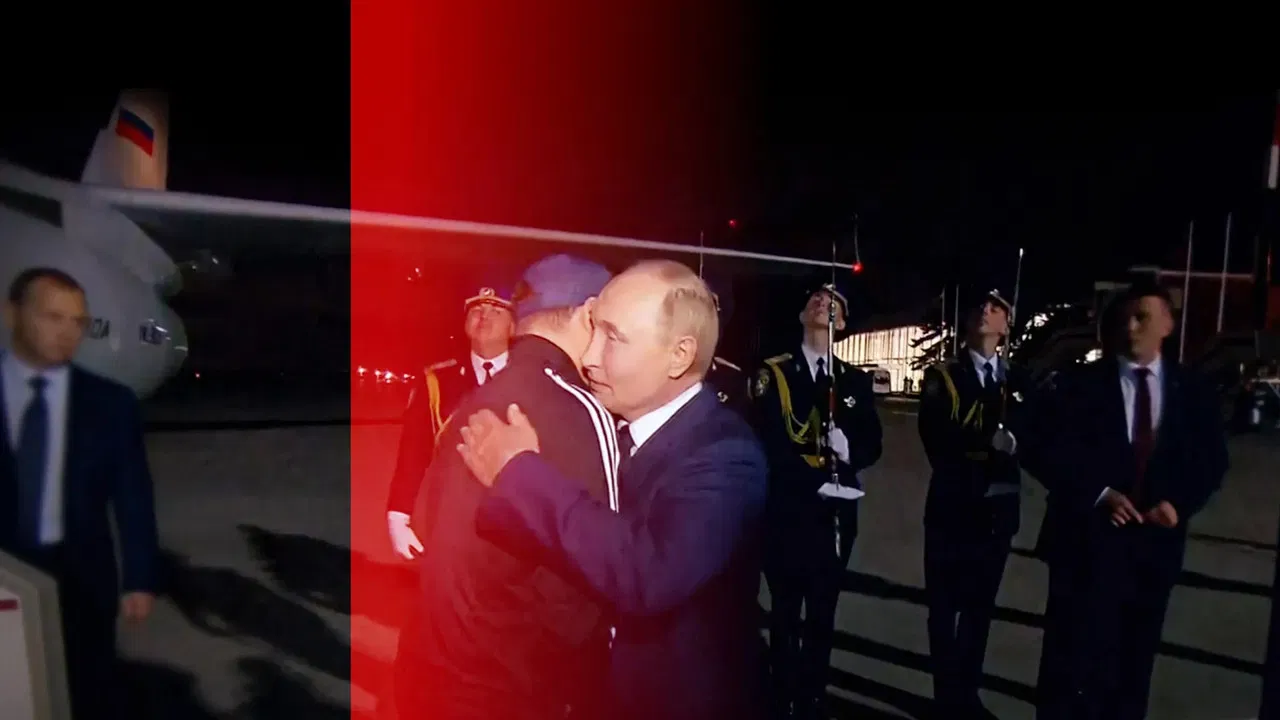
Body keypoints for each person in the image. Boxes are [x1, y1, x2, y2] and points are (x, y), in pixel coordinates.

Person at [457, 259, 769, 720]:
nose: (589, 357)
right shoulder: (618, 431)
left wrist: (519, 473)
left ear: (679, 356)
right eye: (594, 331)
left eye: (614, 338)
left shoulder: (726, 454)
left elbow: (648, 573)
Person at [397, 255, 617, 720]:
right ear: (589, 314)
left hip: (434, 672)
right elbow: (593, 579)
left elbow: (429, 524)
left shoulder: (476, 399)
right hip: (511, 685)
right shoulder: (579, 407)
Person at [1034, 279, 1229, 720]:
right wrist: (1097, 493)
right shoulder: (1078, 385)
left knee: (1132, 670)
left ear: (1167, 324)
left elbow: (1211, 460)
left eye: (1142, 317)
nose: (1131, 327)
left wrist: (1178, 503)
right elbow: (1044, 448)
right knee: (1067, 668)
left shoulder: (1191, 390)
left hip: (1151, 552)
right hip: (1083, 548)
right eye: (1124, 318)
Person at [0, 267, 159, 719]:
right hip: (3, 570)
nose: (68, 333)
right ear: (12, 314)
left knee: (87, 691)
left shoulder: (111, 402)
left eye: (78, 322)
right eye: (53, 317)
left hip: (82, 577)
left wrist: (140, 577)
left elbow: (132, 494)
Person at [750, 281, 883, 720]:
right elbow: (768, 441)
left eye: (833, 304)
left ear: (841, 324)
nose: (822, 304)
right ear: (802, 314)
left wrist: (850, 450)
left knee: (823, 611)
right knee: (786, 611)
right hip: (789, 510)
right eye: (816, 299)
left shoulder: (854, 381)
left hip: (835, 515)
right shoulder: (774, 373)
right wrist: (811, 481)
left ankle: (813, 697)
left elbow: (873, 444)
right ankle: (782, 696)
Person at [918, 287, 1040, 719]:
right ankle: (945, 700)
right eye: (980, 307)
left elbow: (1040, 429)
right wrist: (988, 442)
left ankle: (967, 697)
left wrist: (1018, 441)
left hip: (997, 511)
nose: (986, 312)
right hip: (953, 509)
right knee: (944, 610)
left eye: (996, 308)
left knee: (979, 611)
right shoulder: (943, 376)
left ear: (1007, 325)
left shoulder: (1018, 379)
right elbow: (937, 439)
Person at [386, 282, 514, 560]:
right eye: (476, 310)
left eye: (496, 311)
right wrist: (398, 514)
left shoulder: (530, 379)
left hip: (515, 520)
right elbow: (414, 452)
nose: (484, 316)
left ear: (514, 326)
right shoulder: (437, 381)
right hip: (450, 521)